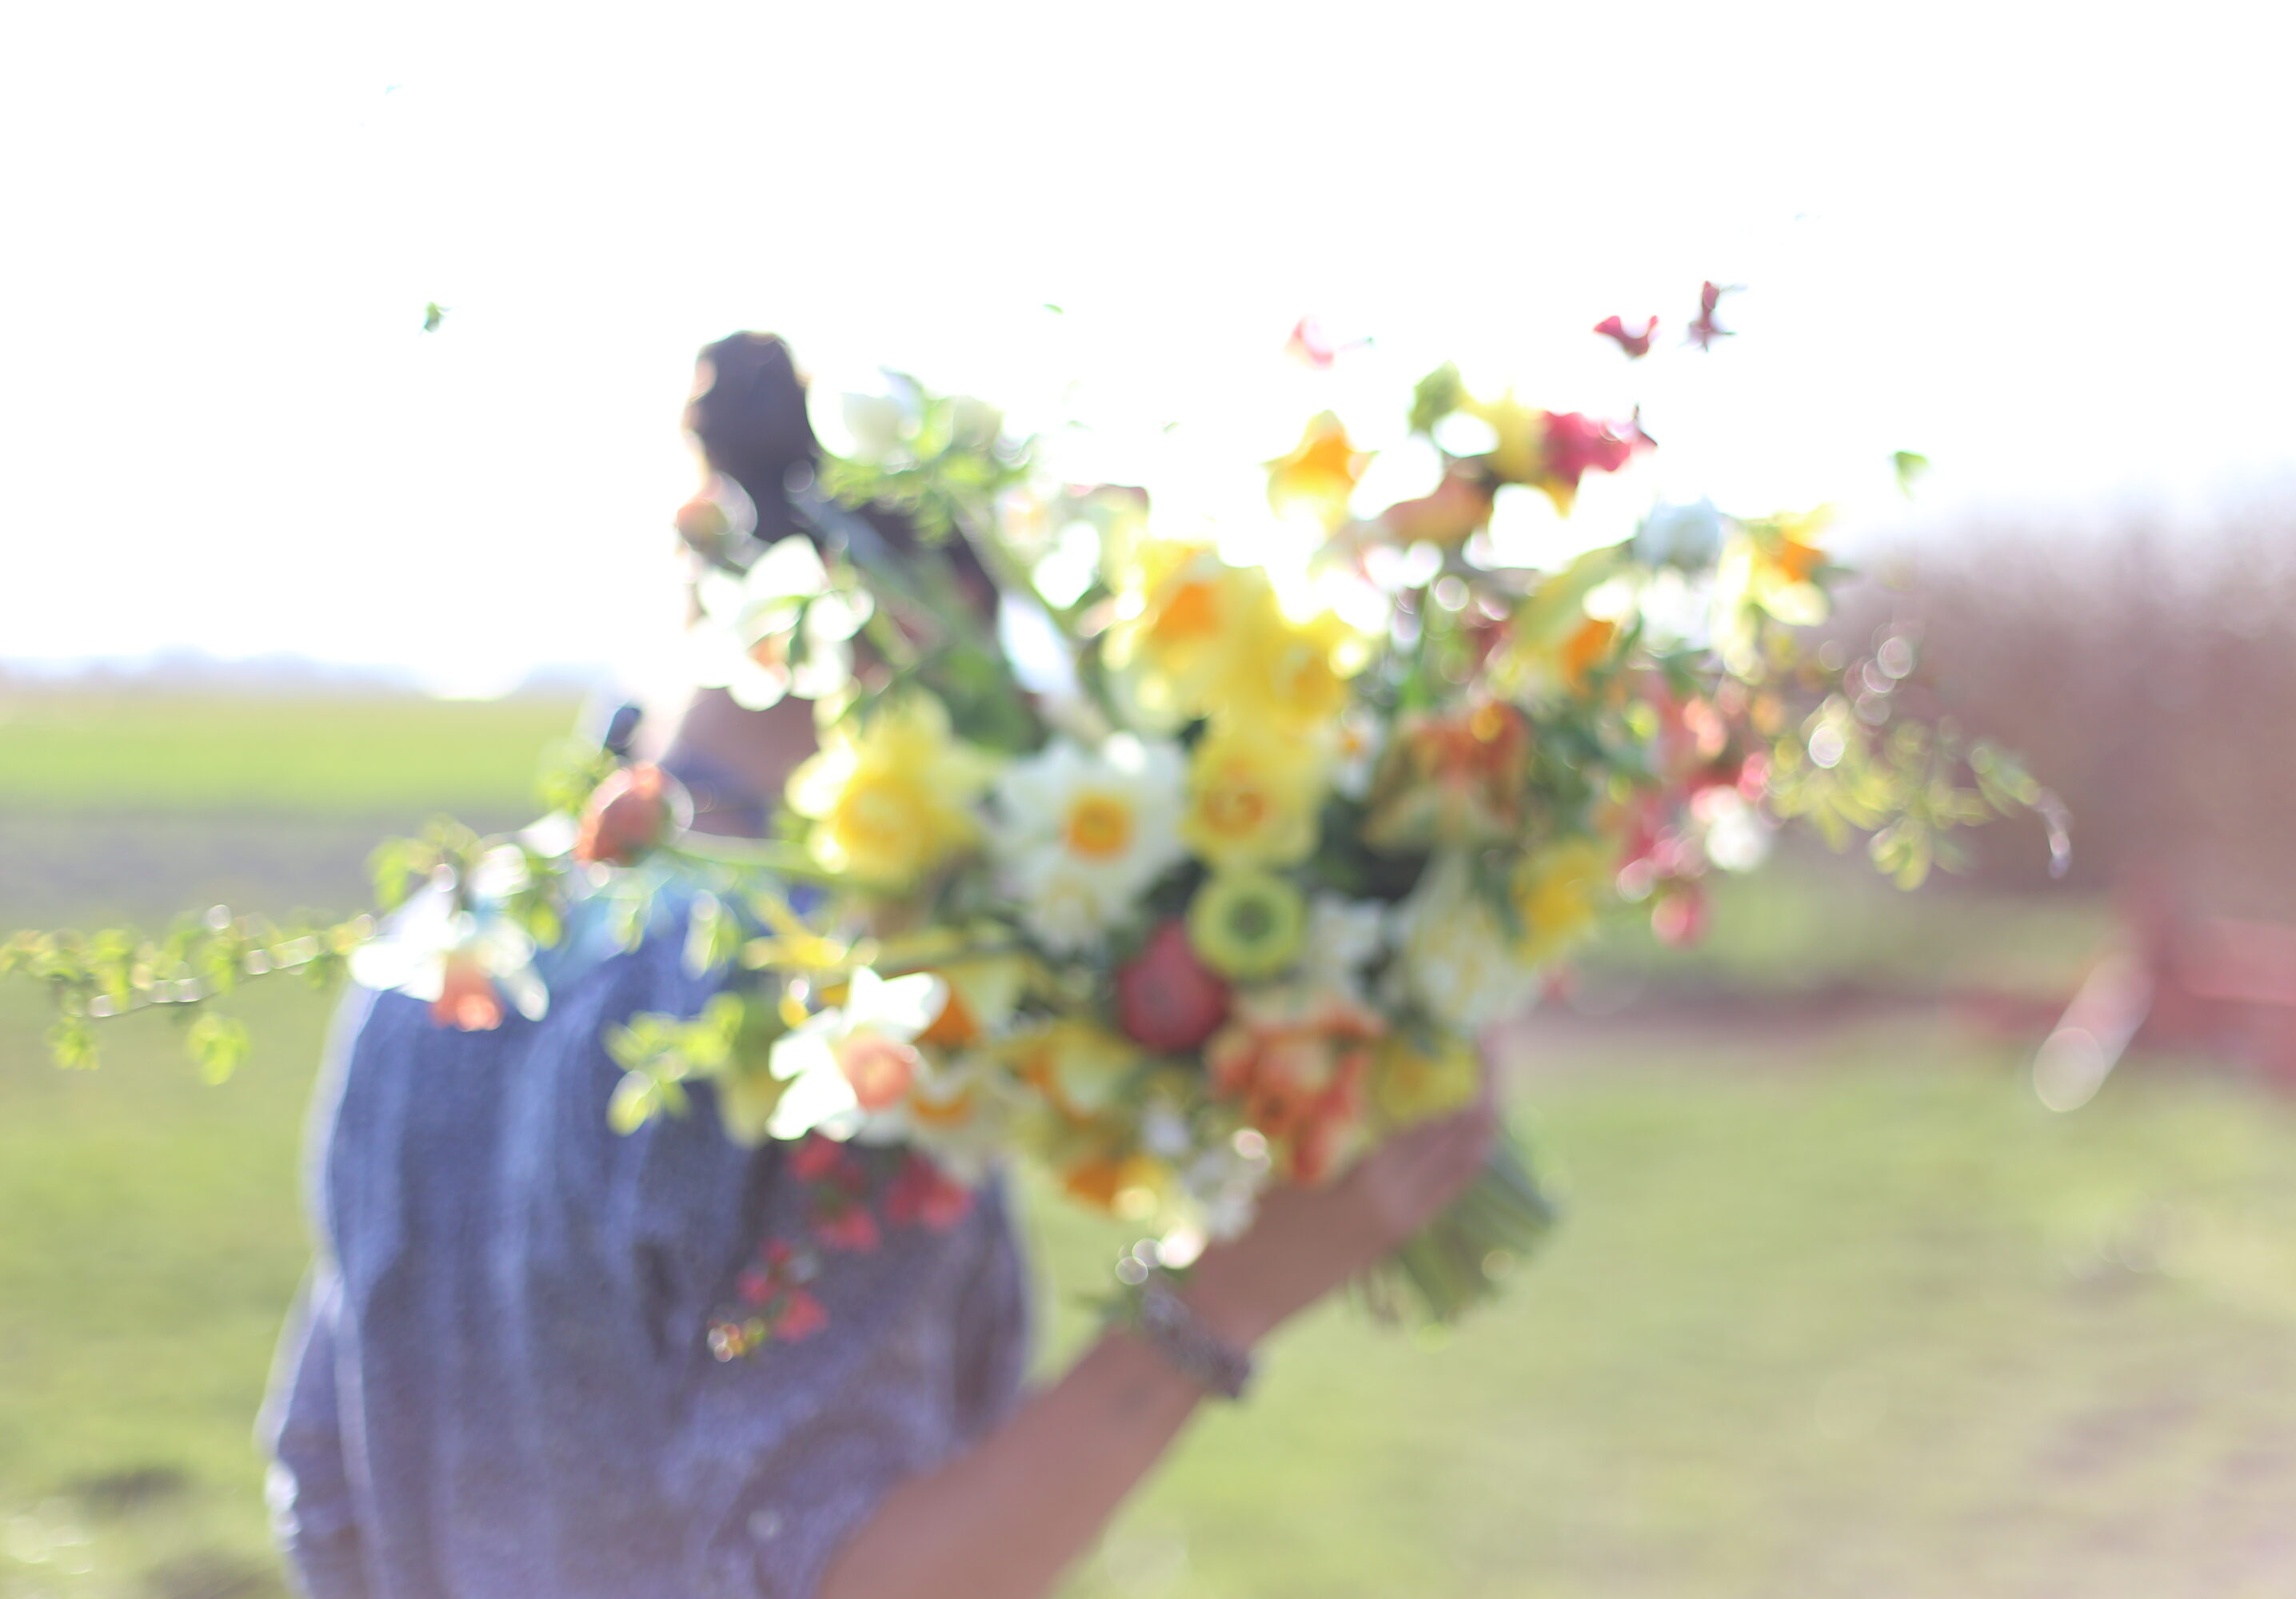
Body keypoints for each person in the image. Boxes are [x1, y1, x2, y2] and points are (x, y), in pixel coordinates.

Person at [258, 333, 1499, 1599]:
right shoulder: (852, 1010)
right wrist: (1215, 1306)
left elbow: (326, 1472)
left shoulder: (449, 936)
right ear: (935, 625)